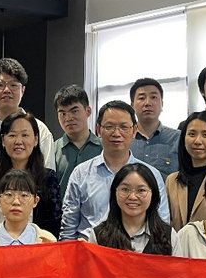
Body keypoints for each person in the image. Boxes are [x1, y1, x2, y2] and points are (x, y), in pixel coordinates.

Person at [61, 101, 169, 240]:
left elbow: (162, 223)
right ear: (98, 130)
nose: (116, 133)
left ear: (134, 130)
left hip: (137, 250)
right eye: (109, 127)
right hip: (90, 249)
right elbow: (68, 229)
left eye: (124, 127)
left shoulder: (151, 174)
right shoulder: (81, 173)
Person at [0, 112, 61, 238]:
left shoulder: (48, 178)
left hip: (38, 247)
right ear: (3, 140)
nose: (18, 141)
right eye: (12, 135)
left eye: (25, 135)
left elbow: (53, 224)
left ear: (36, 140)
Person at [0, 58, 55, 173]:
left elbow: (47, 174)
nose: (6, 90)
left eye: (13, 85)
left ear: (23, 90)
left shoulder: (40, 129)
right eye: (0, 85)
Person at [83, 163, 172, 254]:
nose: (132, 197)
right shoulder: (98, 236)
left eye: (141, 190)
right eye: (125, 189)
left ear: (153, 194)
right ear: (115, 192)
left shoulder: (169, 236)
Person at [165, 111, 206, 230]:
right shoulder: (172, 180)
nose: (197, 141)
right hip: (176, 242)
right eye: (192, 134)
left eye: (205, 135)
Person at [0, 170, 57, 246]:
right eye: (9, 195)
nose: (16, 202)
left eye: (24, 195)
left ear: (35, 201)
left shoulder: (47, 242)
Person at [53, 84, 102, 196]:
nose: (68, 118)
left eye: (74, 111)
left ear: (88, 111)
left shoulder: (104, 148)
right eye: (63, 113)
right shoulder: (52, 151)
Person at [129, 77, 180, 177]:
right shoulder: (123, 139)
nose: (148, 103)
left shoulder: (178, 138)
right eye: (141, 98)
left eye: (153, 97)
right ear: (132, 105)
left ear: (162, 104)